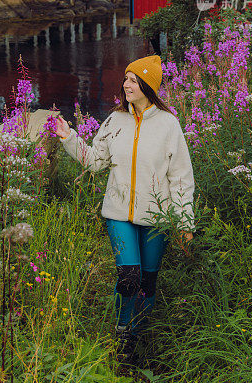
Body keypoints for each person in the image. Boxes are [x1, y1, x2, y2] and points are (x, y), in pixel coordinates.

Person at [55, 54, 194, 366]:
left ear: (148, 85)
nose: (126, 84)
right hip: (118, 214)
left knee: (148, 282)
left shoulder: (168, 125)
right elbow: (94, 161)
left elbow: (182, 178)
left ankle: (140, 335)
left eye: (134, 79)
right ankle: (122, 333)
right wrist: (69, 138)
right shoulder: (114, 120)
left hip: (157, 217)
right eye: (127, 79)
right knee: (129, 276)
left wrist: (185, 222)